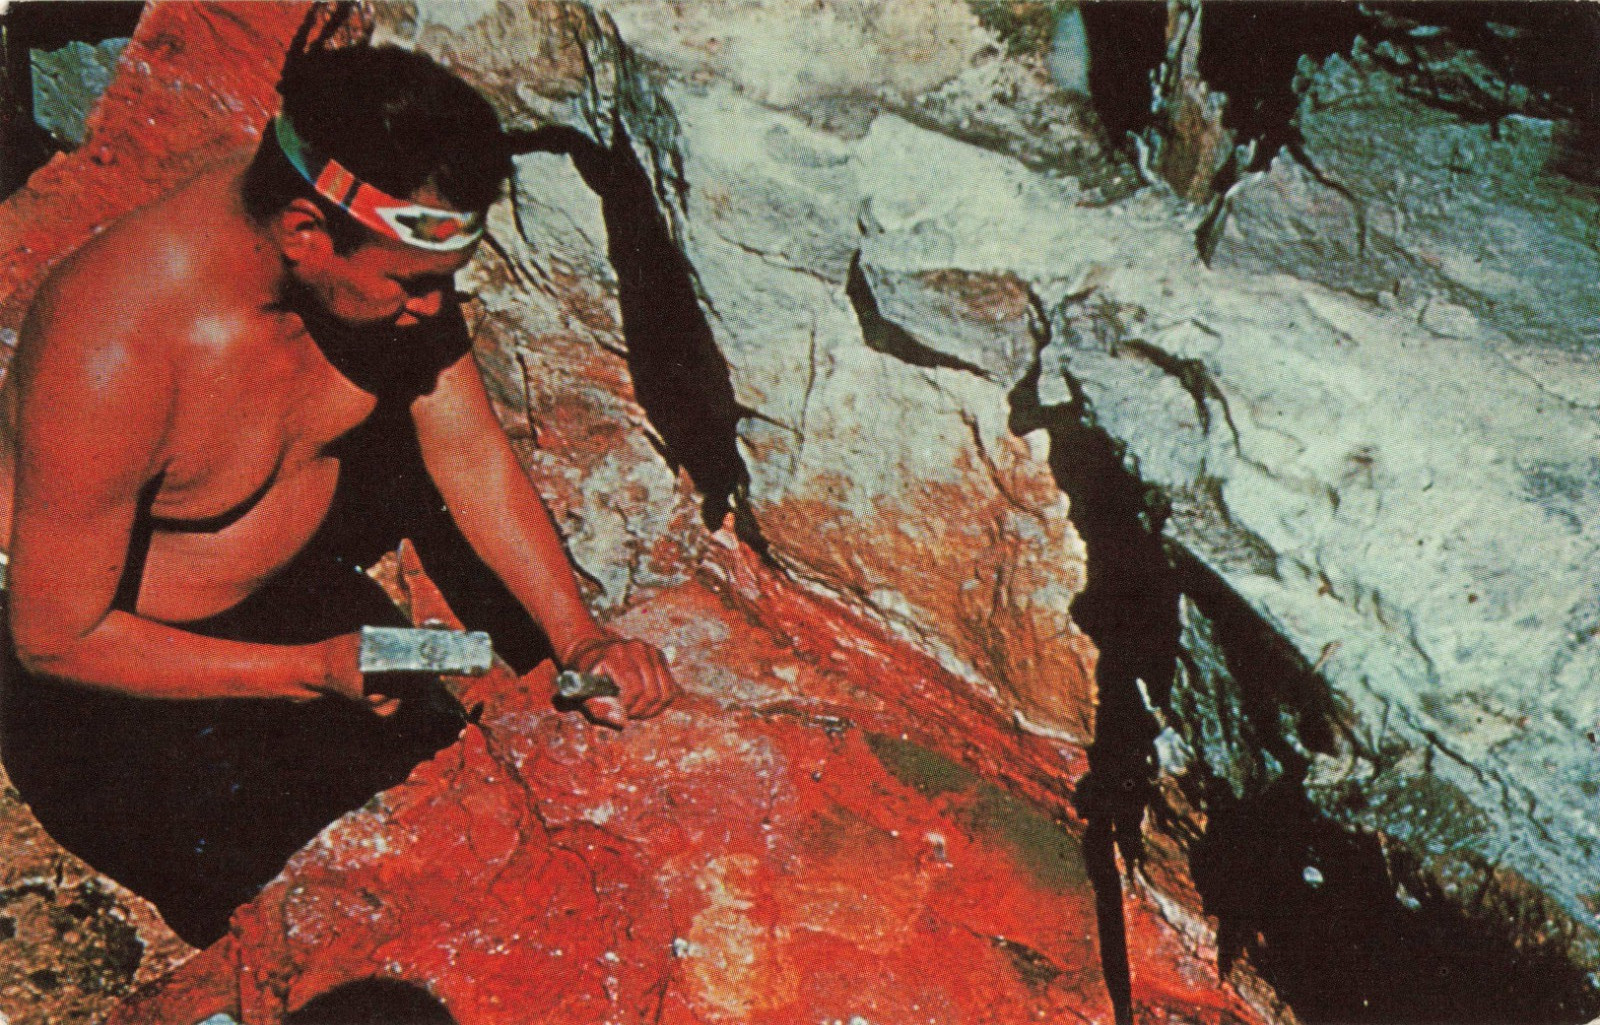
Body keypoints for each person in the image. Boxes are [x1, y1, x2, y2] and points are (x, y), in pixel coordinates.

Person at [0, 44, 675, 947]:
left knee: (472, 836)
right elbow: (55, 637)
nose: (434, 312)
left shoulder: (366, 268)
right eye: (412, 284)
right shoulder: (113, 346)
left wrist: (579, 634)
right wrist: (307, 671)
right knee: (337, 923)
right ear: (305, 233)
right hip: (118, 685)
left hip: (297, 616)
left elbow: (470, 454)